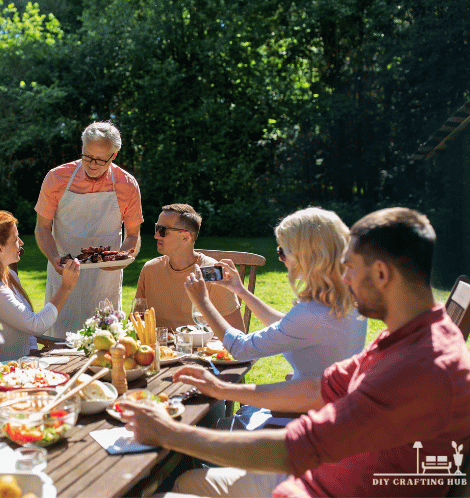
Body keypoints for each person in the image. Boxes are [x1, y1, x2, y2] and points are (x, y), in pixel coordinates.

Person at [122, 207, 470, 498]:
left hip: (307, 483)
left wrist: (170, 434)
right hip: (316, 473)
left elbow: (294, 450)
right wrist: (223, 389)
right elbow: (318, 388)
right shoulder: (410, 337)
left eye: (349, 268)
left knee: (169, 484)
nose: (344, 279)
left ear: (381, 273)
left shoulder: (416, 370)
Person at [188, 207, 367, 382]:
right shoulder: (347, 299)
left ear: (305, 256)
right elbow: (289, 326)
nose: (281, 258)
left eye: (282, 252)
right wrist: (240, 290)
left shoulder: (311, 313)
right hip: (328, 403)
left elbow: (241, 349)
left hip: (303, 409)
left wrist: (203, 303)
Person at [35, 121, 143, 337]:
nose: (92, 164)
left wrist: (119, 259)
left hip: (105, 276)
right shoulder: (57, 178)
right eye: (87, 156)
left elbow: (133, 236)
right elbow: (42, 228)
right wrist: (54, 256)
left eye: (100, 160)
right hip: (63, 269)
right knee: (60, 339)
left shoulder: (127, 185)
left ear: (113, 156)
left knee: (104, 338)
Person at [0, 210, 81, 361]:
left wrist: (33, 349)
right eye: (15, 239)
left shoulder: (10, 276)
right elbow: (35, 324)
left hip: (23, 364)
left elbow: (26, 324)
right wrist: (66, 288)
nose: (21, 242)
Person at [136, 203, 243, 330]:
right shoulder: (150, 270)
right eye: (156, 228)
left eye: (163, 230)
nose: (156, 235)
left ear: (185, 237)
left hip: (202, 348)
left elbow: (238, 333)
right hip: (158, 348)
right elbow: (135, 322)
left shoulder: (212, 272)